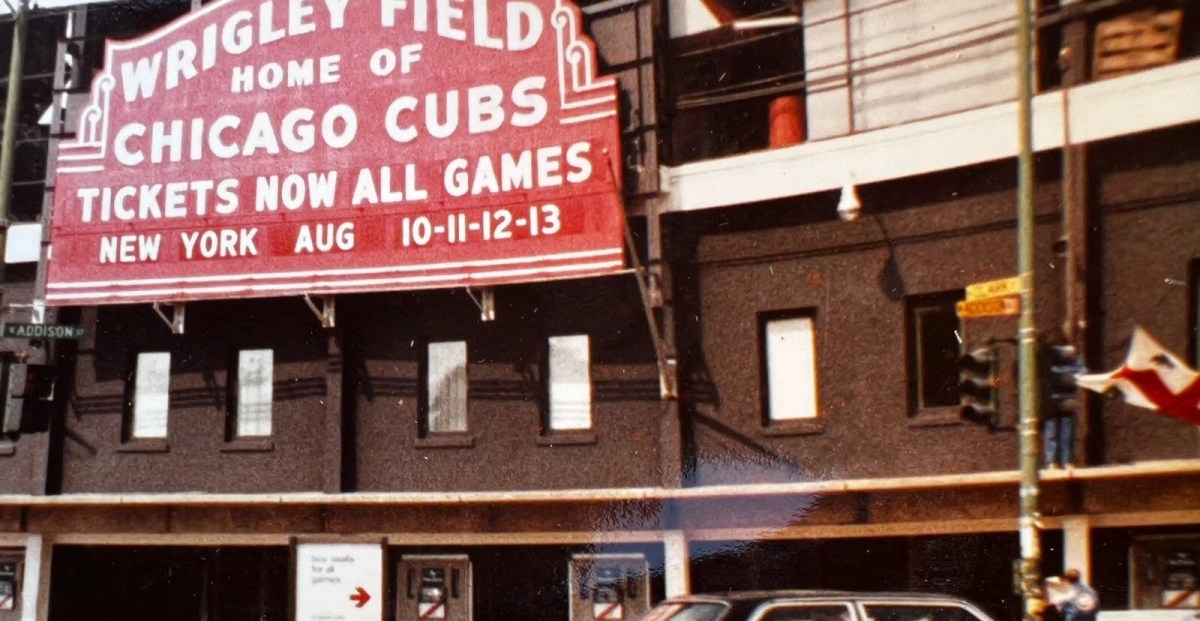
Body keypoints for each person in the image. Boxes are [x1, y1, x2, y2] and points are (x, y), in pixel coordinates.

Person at [1041, 332, 1086, 469]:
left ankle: (1065, 461)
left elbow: (1083, 372)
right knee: (1054, 433)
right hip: (1054, 401)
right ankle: (1054, 462)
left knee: (1065, 433)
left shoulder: (1073, 359)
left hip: (1066, 401)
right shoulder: (1049, 359)